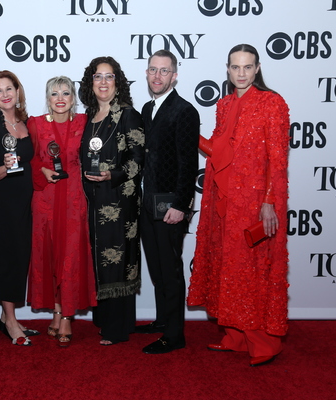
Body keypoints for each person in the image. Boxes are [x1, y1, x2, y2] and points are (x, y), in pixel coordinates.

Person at [187, 44, 290, 367]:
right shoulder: (224, 104)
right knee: (227, 270)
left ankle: (263, 343)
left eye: (247, 67)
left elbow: (278, 159)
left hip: (253, 203)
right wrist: (188, 133)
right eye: (235, 67)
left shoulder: (272, 103)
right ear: (227, 69)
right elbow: (218, 150)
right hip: (222, 201)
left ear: (257, 68)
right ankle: (235, 336)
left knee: (251, 272)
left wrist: (270, 202)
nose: (241, 73)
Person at [136, 50, 200, 354]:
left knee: (171, 270)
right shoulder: (147, 109)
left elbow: (188, 164)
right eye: (152, 70)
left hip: (170, 205)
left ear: (174, 76)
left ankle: (175, 336)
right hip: (148, 204)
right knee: (158, 269)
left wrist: (180, 204)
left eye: (164, 71)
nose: (157, 76)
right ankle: (163, 320)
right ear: (147, 74)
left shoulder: (184, 111)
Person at [78, 56, 145, 345]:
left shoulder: (127, 114)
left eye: (109, 76)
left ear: (118, 82)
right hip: (92, 203)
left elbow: (138, 159)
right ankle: (108, 319)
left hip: (119, 201)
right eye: (97, 76)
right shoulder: (89, 117)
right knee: (98, 261)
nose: (103, 82)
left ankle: (117, 328)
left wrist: (112, 175)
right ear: (90, 82)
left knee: (117, 261)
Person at [27, 76, 97, 348]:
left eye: (66, 93)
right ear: (47, 97)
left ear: (73, 98)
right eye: (54, 93)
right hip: (45, 200)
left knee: (70, 258)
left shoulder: (84, 123)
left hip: (73, 201)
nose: (60, 98)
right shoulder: (34, 124)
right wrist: (41, 170)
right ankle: (57, 310)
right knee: (50, 257)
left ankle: (66, 315)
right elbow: (28, 160)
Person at [0, 70, 38, 346]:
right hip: (2, 203)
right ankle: (11, 320)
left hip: (24, 203)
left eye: (8, 89)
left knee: (19, 256)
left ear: (17, 91)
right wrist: (8, 166)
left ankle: (6, 316)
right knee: (6, 257)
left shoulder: (25, 123)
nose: (5, 95)